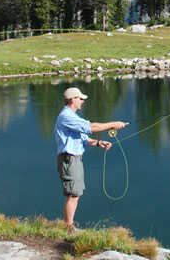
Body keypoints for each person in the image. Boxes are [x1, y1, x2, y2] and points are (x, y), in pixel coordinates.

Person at [55, 87, 128, 232]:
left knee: (76, 193)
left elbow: (83, 138)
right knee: (73, 194)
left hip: (74, 160)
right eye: (80, 98)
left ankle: (69, 226)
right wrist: (112, 124)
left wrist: (98, 143)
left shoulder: (73, 117)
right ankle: (68, 228)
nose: (82, 101)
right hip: (69, 160)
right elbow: (91, 127)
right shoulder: (66, 116)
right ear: (72, 99)